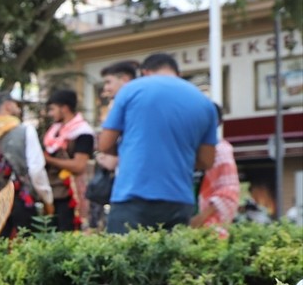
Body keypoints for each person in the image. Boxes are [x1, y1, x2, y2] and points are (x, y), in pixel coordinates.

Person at [99, 52, 217, 233]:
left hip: (132, 195)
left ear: (145, 72)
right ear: (177, 73)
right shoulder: (204, 103)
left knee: (123, 258)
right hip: (179, 199)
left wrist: (129, 149)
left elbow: (105, 144)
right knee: (170, 259)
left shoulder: (131, 90)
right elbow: (207, 161)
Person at [0, 94, 54, 238]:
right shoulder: (26, 131)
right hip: (22, 198)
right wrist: (47, 198)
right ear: (7, 105)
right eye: (15, 103)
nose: (17, 107)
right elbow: (36, 170)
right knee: (27, 248)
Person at [89, 61, 138, 229]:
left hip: (130, 186)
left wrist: (107, 155)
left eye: (109, 82)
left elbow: (105, 143)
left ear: (124, 79)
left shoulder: (123, 103)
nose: (106, 89)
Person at [43, 89, 95, 232]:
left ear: (64, 108)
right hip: (54, 192)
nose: (50, 114)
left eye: (52, 109)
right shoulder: (55, 131)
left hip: (72, 195)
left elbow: (79, 166)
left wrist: (48, 160)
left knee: (69, 235)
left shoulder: (83, 132)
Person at [190, 104, 240, 238]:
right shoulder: (188, 148)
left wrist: (199, 219)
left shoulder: (222, 150)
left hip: (208, 229)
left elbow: (228, 192)